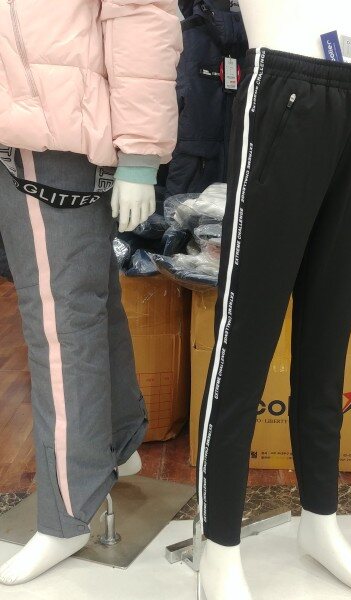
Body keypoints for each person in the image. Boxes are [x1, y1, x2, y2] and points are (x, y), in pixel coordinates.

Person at [0, 0, 182, 585]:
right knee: (86, 308)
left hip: (46, 136)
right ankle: (118, 443)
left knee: (60, 326)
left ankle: (67, 513)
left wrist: (141, 156)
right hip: (37, 125)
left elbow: (143, 16)